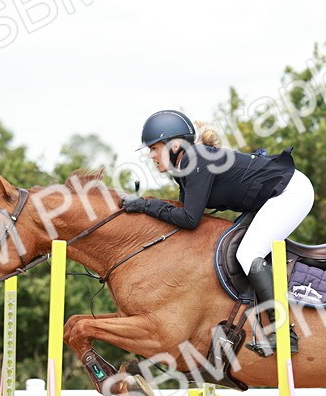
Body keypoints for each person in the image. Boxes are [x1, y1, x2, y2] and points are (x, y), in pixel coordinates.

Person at [119, 109, 314, 357]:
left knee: (248, 253)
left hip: (291, 193)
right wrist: (144, 210)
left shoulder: (195, 161)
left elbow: (189, 219)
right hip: (271, 197)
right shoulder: (185, 168)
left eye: (154, 148)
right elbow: (179, 215)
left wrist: (145, 205)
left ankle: (284, 331)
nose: (151, 155)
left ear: (175, 145)